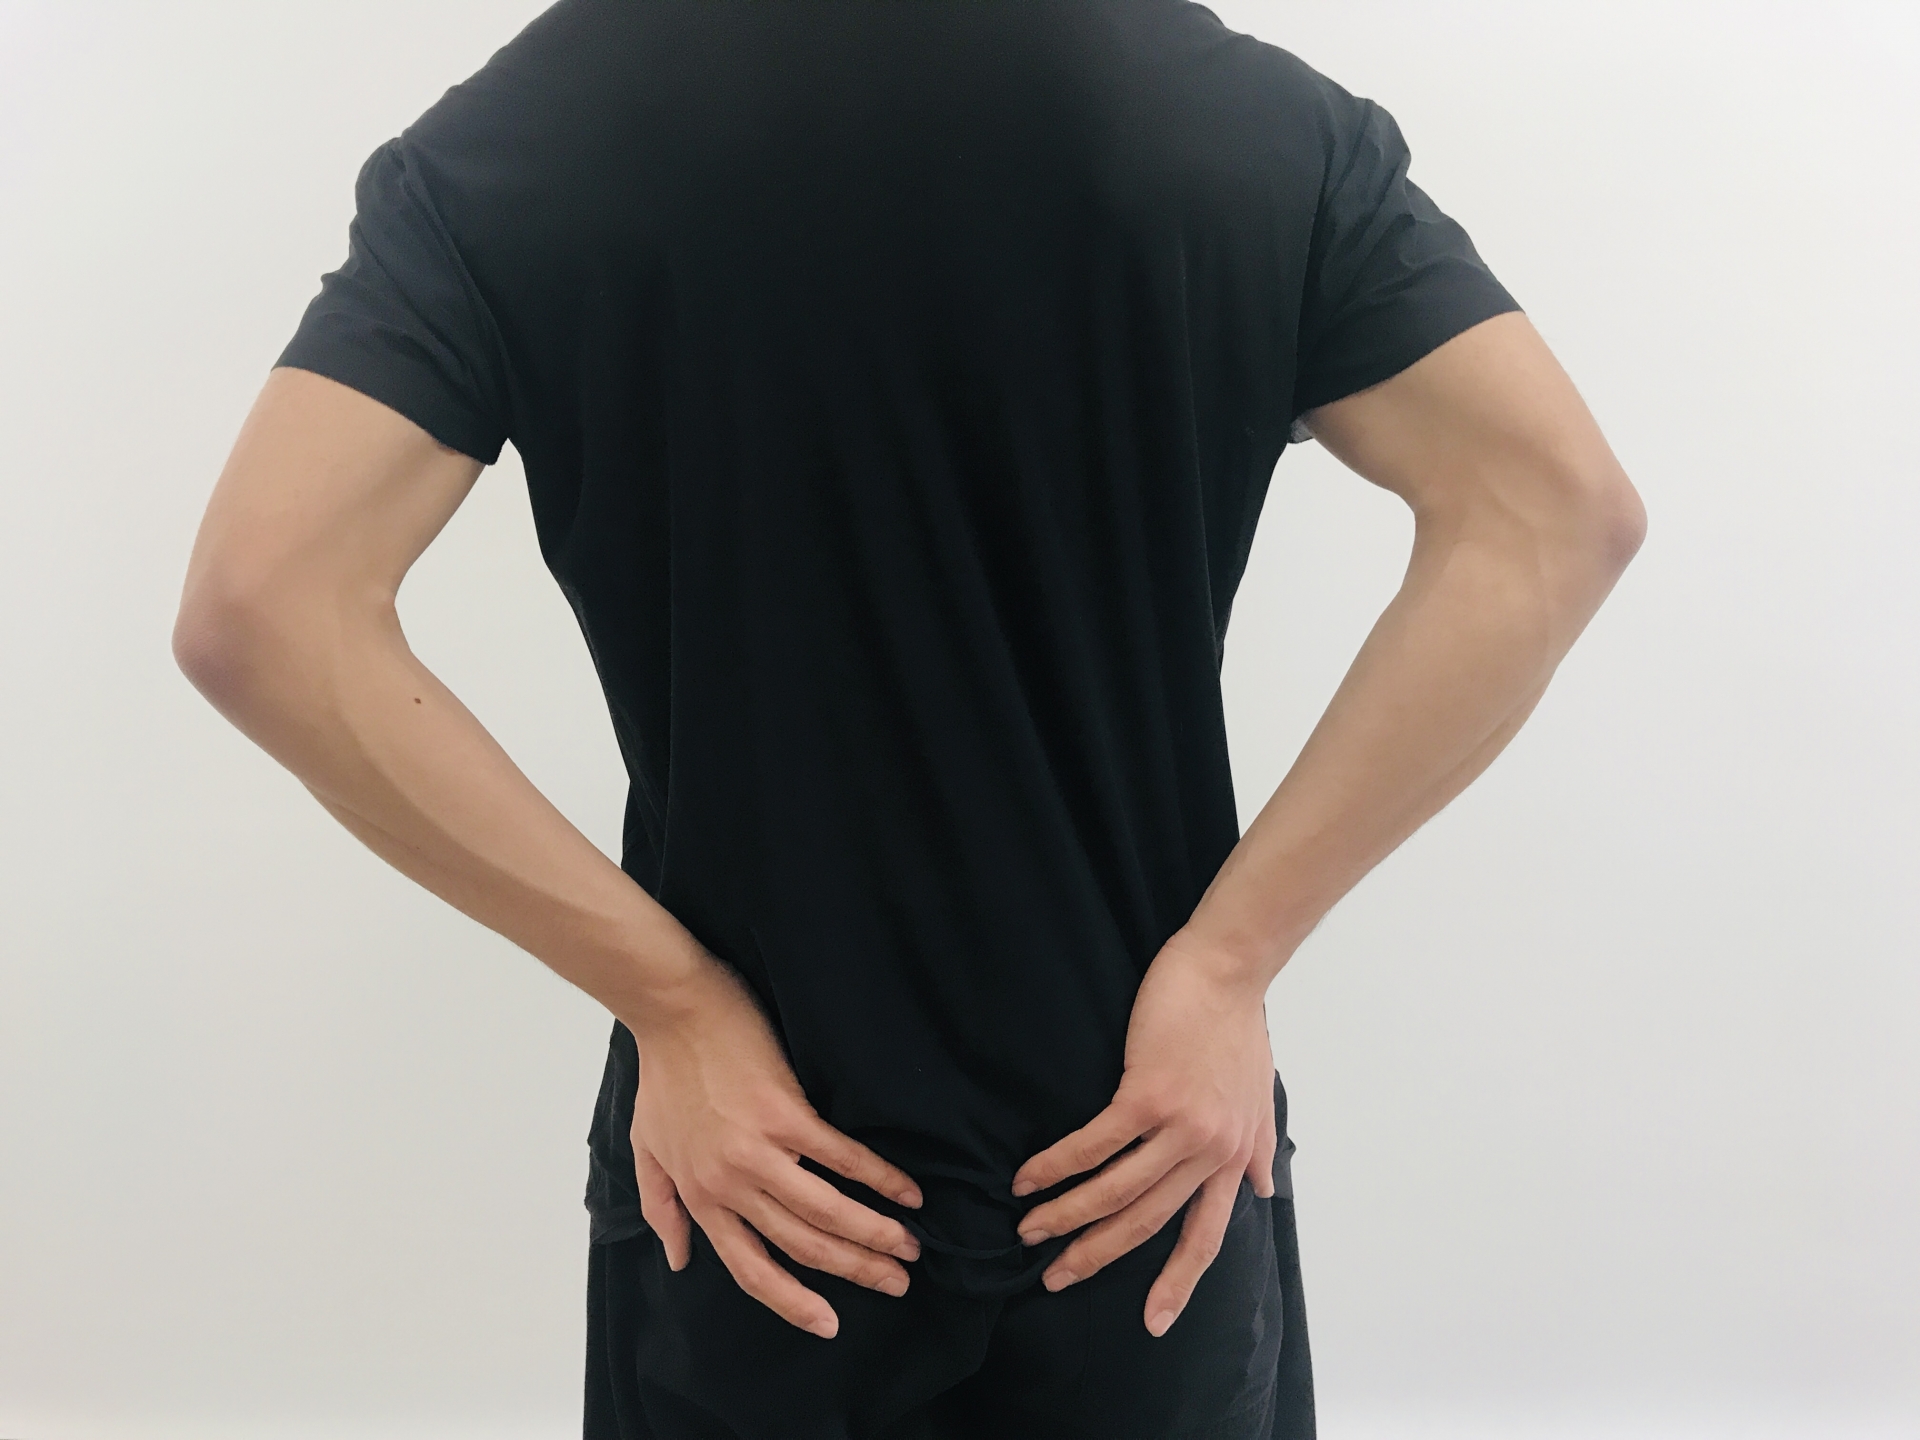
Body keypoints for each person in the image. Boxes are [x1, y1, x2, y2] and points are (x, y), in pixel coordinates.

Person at [172, 2, 1645, 1436]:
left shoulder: (534, 132)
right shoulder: (1246, 122)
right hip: (1142, 1156)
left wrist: (674, 1004)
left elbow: (261, 606)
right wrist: (1230, 960)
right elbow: (1554, 514)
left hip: (761, 1187)